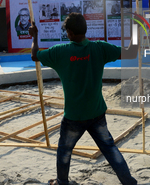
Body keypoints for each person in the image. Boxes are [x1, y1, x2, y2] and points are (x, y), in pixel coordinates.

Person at [29, 12, 138, 185]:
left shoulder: (61, 52)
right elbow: (132, 52)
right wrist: (136, 29)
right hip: (96, 113)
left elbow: (35, 55)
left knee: (65, 150)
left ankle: (62, 182)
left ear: (70, 33)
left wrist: (34, 36)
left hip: (74, 116)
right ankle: (128, 181)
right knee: (109, 149)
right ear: (85, 30)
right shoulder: (99, 48)